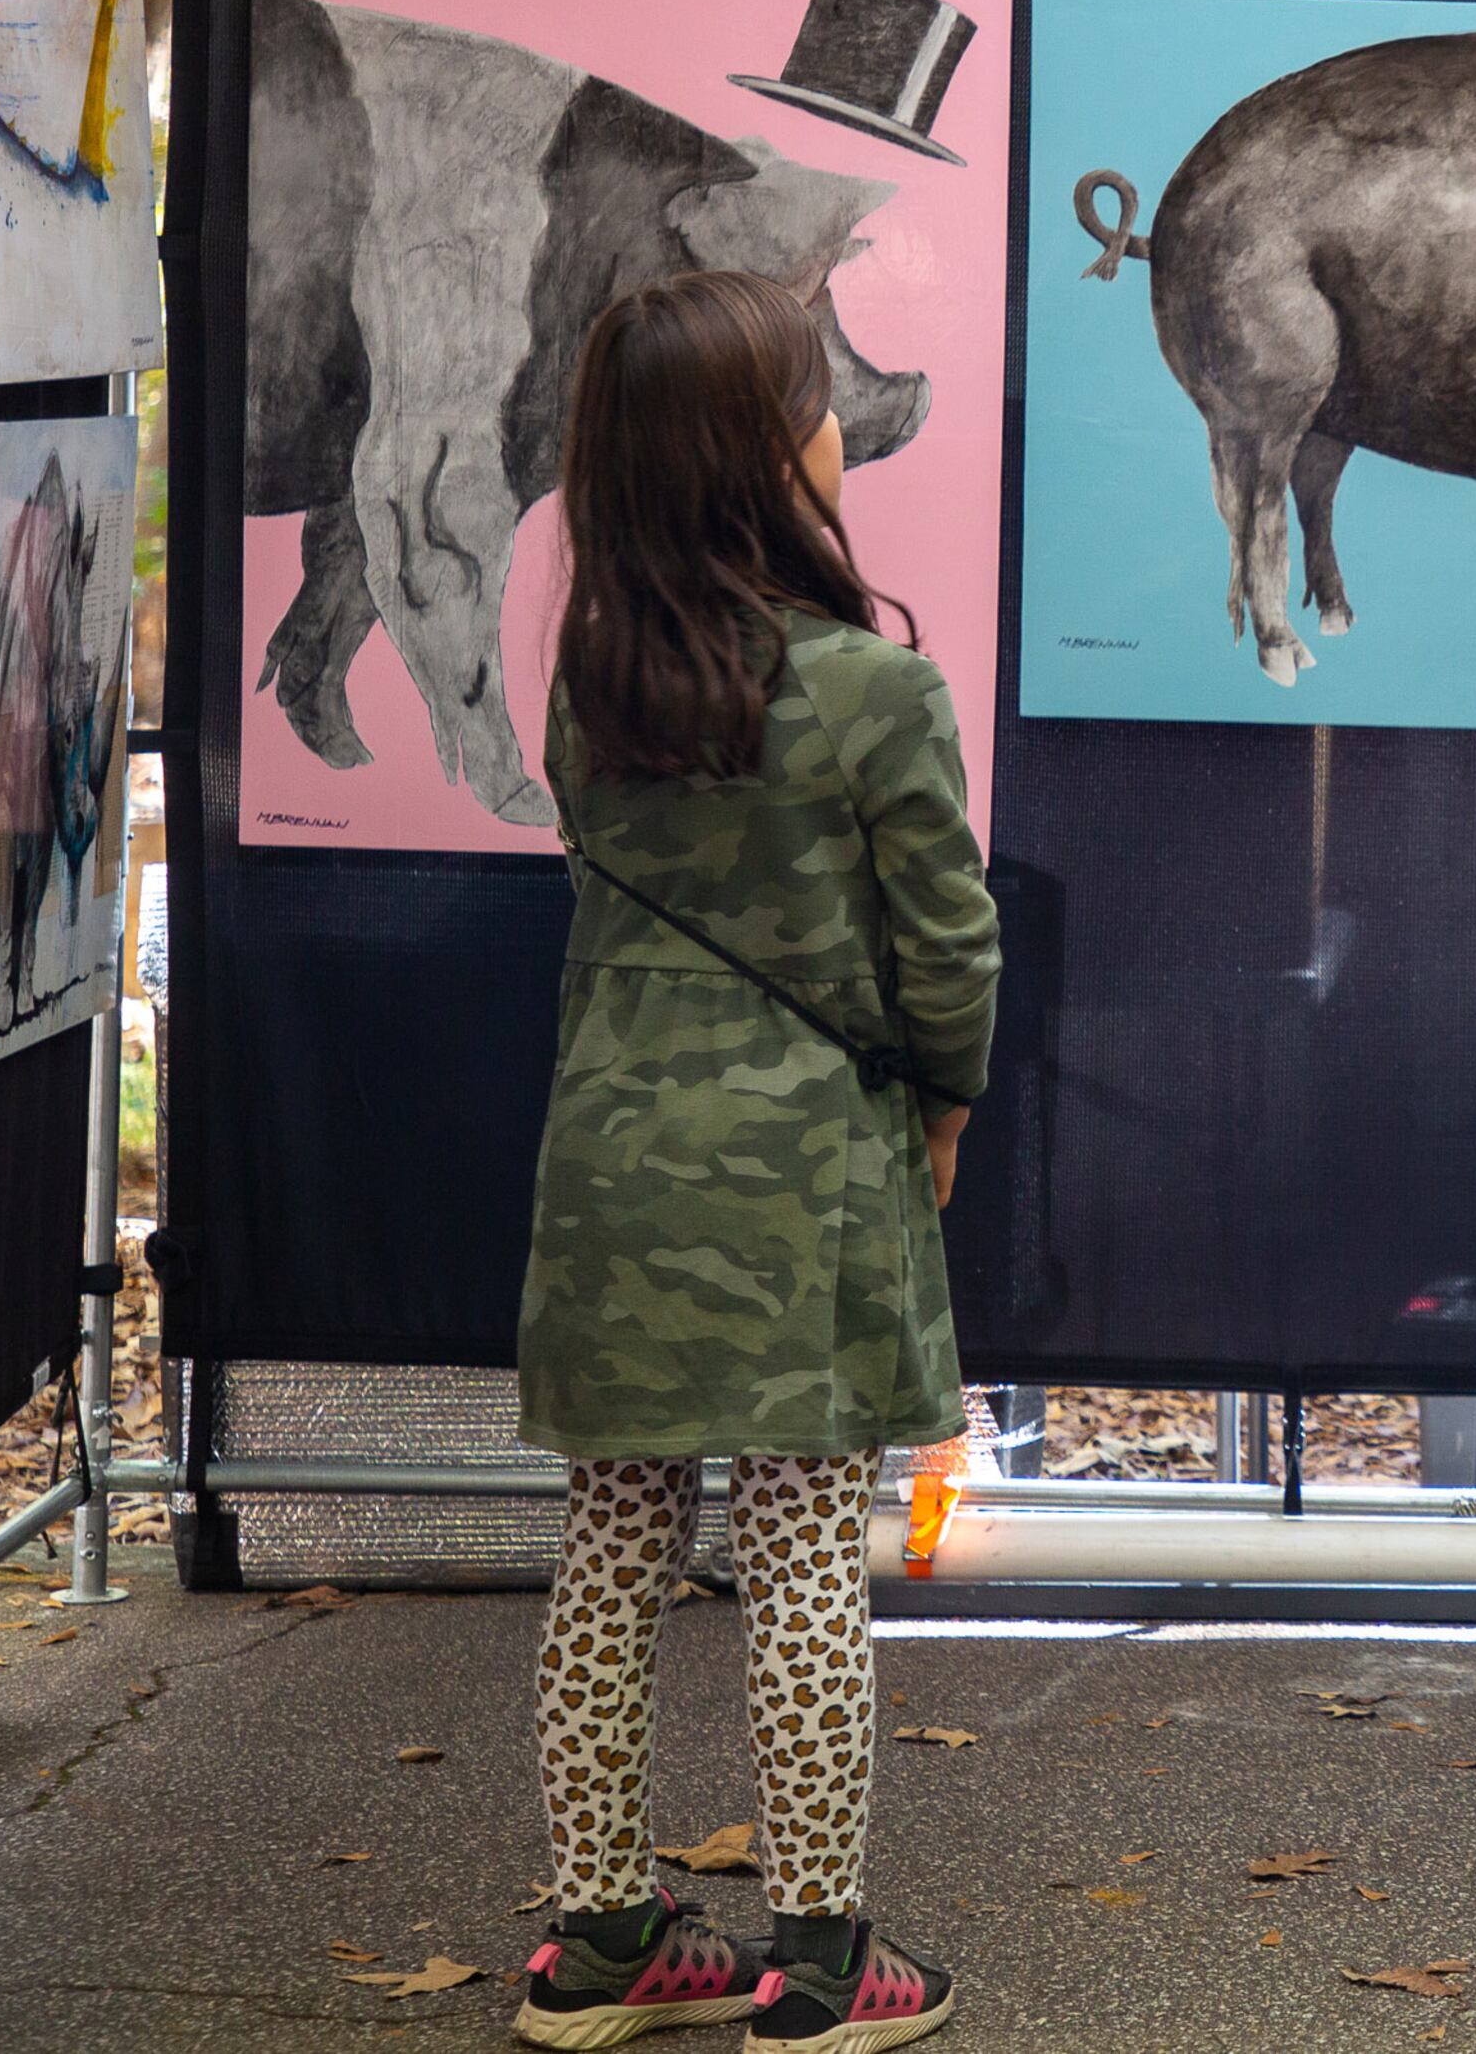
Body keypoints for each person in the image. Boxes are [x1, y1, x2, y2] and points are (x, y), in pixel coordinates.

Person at [511, 269, 999, 2050]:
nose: (836, 426)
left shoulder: (587, 695)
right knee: (802, 1559)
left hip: (613, 1173)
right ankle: (820, 1965)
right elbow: (949, 951)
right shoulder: (873, 692)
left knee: (610, 1553)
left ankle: (603, 1942)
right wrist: (941, 1104)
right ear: (756, 457)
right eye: (816, 401)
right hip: (805, 1178)